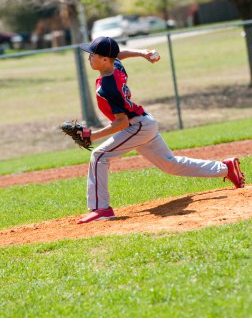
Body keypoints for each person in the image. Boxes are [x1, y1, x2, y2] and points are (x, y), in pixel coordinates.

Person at [77, 36, 245, 224]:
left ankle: (102, 209)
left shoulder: (109, 86)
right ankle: (226, 168)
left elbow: (121, 123)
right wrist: (142, 53)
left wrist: (93, 136)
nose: (89, 57)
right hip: (143, 123)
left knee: (99, 156)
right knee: (170, 165)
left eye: (93, 54)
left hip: (136, 126)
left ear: (104, 59)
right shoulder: (114, 67)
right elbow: (118, 56)